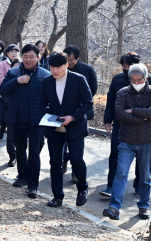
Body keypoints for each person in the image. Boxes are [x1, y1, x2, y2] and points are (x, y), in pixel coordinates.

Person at [39, 52, 93, 208]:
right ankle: (57, 196)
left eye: (58, 67)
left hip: (75, 127)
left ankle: (82, 189)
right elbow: (41, 103)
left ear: (67, 65)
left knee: (77, 160)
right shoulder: (47, 81)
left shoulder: (78, 80)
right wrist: (49, 115)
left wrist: (73, 117)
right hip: (54, 128)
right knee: (55, 162)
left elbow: (88, 103)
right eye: (52, 67)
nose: (55, 71)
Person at [0, 44, 51, 196]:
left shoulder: (45, 75)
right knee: (20, 148)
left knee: (34, 151)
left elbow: (51, 98)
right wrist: (17, 81)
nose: (28, 60)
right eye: (26, 56)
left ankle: (33, 184)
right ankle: (22, 175)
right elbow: (2, 90)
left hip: (37, 120)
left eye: (31, 57)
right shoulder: (14, 72)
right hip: (17, 118)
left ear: (38, 57)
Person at [103, 63, 151, 221]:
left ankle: (144, 204)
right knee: (121, 172)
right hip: (126, 140)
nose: (136, 83)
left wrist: (134, 111)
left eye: (139, 80)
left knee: (145, 176)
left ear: (146, 78)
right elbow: (120, 114)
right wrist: (143, 118)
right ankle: (114, 207)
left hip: (147, 141)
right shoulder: (123, 92)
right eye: (133, 80)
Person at [101, 52, 144, 198]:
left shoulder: (147, 81)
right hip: (121, 124)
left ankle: (139, 186)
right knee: (115, 153)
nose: (126, 69)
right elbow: (111, 101)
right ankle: (111, 185)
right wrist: (107, 120)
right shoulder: (118, 79)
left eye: (129, 66)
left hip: (143, 126)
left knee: (141, 157)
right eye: (124, 67)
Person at [62, 45, 99, 178]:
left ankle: (75, 171)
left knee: (77, 142)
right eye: (67, 59)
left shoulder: (87, 70)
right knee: (62, 141)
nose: (69, 62)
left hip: (81, 111)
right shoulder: (60, 69)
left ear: (78, 58)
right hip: (63, 111)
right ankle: (64, 161)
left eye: (71, 59)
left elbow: (93, 88)